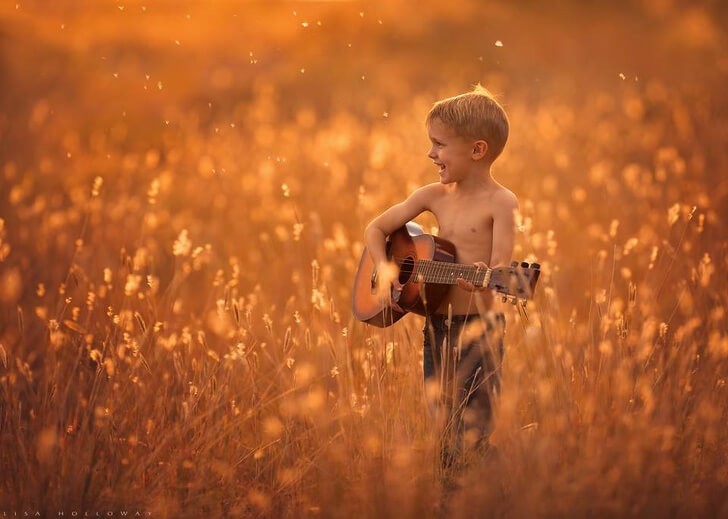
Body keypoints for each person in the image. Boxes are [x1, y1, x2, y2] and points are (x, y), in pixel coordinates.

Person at [363, 84, 518, 474]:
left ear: (477, 150)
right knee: (444, 424)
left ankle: (487, 498)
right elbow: (375, 229)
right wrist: (385, 271)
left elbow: (502, 268)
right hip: (436, 328)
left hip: (481, 329)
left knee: (476, 427)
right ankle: (451, 497)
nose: (431, 154)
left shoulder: (502, 203)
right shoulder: (433, 194)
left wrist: (486, 276)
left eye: (440, 145)